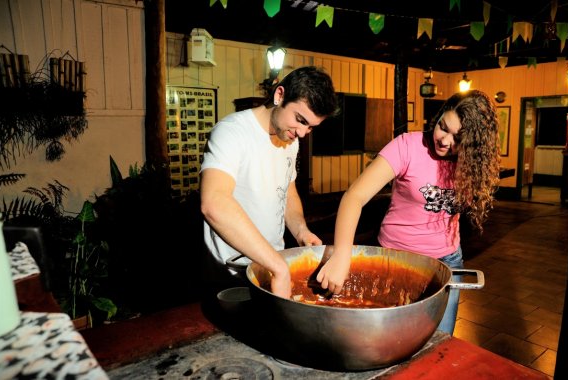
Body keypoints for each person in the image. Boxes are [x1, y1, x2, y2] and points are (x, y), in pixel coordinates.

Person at [317, 89, 500, 334]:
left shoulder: (472, 165)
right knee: (391, 336)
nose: (445, 141)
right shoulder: (407, 146)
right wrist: (342, 255)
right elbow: (354, 197)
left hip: (446, 262)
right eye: (443, 127)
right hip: (396, 258)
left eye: (458, 140)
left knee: (439, 341)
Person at [200, 66, 339, 300]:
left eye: (311, 127)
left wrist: (301, 230)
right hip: (232, 274)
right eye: (300, 120)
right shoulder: (231, 132)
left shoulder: (290, 138)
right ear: (279, 95)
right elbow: (214, 202)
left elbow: (287, 191)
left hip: (273, 267)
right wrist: (278, 265)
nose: (303, 133)